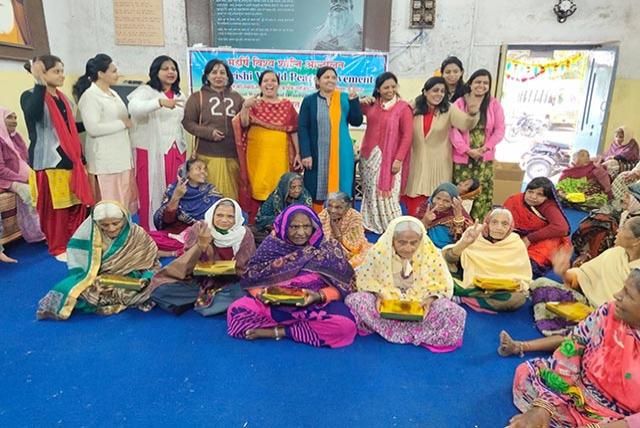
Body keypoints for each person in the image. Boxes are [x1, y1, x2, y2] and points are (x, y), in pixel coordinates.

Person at [506, 270, 640, 428]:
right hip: (578, 389)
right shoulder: (608, 312)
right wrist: (544, 406)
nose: (617, 295)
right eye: (622, 288)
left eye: (628, 295)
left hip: (619, 418)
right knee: (527, 372)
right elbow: (570, 350)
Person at [227, 205, 357, 348]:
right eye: (294, 227)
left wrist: (318, 296)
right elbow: (254, 277)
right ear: (283, 226)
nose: (301, 232)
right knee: (236, 312)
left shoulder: (327, 248)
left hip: (314, 307)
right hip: (273, 306)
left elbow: (343, 286)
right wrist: (262, 296)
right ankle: (302, 328)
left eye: (306, 226)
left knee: (346, 326)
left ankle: (282, 331)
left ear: (314, 225)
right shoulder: (272, 246)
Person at [345, 216, 466, 352]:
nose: (408, 248)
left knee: (455, 312)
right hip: (386, 303)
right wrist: (378, 294)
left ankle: (398, 330)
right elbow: (366, 279)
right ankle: (415, 332)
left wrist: (430, 299)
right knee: (355, 300)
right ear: (392, 240)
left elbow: (441, 284)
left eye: (413, 243)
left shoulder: (430, 254)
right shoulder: (378, 253)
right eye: (402, 242)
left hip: (421, 305)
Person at [21, 56, 93, 260]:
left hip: (71, 161)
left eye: (62, 71)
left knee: (75, 206)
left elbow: (72, 128)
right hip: (48, 162)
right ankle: (58, 247)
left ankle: (74, 241)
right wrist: (38, 84)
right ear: (42, 73)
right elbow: (33, 115)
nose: (62, 75)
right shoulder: (29, 96)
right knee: (56, 211)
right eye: (56, 71)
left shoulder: (64, 99)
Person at [36, 201, 160, 321]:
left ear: (125, 219)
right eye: (105, 225)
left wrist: (146, 276)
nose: (111, 228)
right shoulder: (89, 233)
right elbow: (79, 263)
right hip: (98, 277)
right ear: (96, 223)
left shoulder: (136, 233)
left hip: (130, 276)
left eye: (116, 223)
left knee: (141, 289)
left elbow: (150, 260)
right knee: (67, 289)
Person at [529, 216, 640, 337]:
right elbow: (582, 277)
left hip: (612, 318)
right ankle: (580, 334)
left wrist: (602, 314)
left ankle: (581, 335)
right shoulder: (614, 253)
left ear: (636, 241)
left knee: (616, 331)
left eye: (623, 228)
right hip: (585, 306)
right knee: (541, 283)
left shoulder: (637, 272)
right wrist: (564, 272)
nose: (618, 230)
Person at [150, 198, 255, 316]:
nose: (224, 220)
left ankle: (192, 302)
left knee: (243, 292)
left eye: (230, 216)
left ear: (236, 218)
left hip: (229, 282)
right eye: (219, 215)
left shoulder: (244, 234)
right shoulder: (200, 228)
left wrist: (223, 269)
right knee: (160, 289)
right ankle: (212, 303)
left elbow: (246, 268)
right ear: (212, 214)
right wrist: (201, 246)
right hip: (199, 281)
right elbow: (187, 262)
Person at [403, 76, 481, 217]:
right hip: (416, 162)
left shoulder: (449, 109)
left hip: (439, 164)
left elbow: (466, 124)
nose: (439, 94)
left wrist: (473, 112)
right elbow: (399, 114)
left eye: (442, 91)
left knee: (438, 205)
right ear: (425, 92)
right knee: (413, 203)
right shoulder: (414, 107)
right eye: (435, 90)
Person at [128, 55, 187, 231]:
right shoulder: (146, 91)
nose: (171, 72)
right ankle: (151, 230)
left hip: (175, 150)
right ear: (156, 71)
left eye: (173, 69)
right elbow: (134, 109)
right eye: (165, 68)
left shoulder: (179, 94)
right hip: (151, 152)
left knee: (173, 192)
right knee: (151, 192)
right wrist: (159, 102)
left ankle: (170, 227)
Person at [233, 70, 301, 221]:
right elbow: (243, 123)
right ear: (260, 85)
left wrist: (298, 153)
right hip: (257, 156)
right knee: (257, 188)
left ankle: (279, 224)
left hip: (279, 156)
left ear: (278, 84)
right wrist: (245, 107)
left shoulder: (287, 105)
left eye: (273, 81)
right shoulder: (253, 104)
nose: (269, 84)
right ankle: (257, 224)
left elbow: (294, 130)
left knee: (279, 187)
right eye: (265, 81)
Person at [74, 54, 137, 213]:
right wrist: (122, 123)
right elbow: (93, 129)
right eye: (114, 71)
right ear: (101, 74)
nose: (118, 74)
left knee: (123, 202)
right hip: (106, 162)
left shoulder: (113, 94)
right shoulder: (90, 96)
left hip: (121, 157)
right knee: (109, 206)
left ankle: (124, 234)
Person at [298, 66, 363, 210]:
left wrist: (354, 101)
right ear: (318, 80)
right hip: (316, 154)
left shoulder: (344, 98)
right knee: (316, 187)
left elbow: (356, 121)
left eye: (333, 77)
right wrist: (306, 154)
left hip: (341, 154)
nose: (330, 80)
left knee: (341, 186)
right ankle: (318, 220)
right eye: (326, 77)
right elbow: (303, 128)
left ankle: (340, 219)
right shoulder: (309, 101)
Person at [442, 208, 532, 312]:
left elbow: (523, 277)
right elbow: (449, 258)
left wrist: (517, 284)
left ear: (510, 227)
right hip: (469, 281)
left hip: (498, 289)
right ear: (487, 223)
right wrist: (464, 243)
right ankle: (471, 296)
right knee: (443, 264)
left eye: (505, 224)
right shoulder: (476, 233)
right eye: (494, 222)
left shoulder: (515, 243)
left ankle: (463, 298)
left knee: (517, 299)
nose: (499, 228)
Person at [358, 72, 413, 234]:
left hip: (390, 160)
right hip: (368, 157)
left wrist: (399, 159)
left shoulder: (403, 108)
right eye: (386, 87)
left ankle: (393, 227)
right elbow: (354, 108)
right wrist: (361, 100)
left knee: (388, 196)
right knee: (369, 193)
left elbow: (407, 135)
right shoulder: (372, 105)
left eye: (393, 87)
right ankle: (370, 224)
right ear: (378, 89)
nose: (390, 90)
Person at [182, 59, 244, 200]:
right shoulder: (197, 97)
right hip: (207, 156)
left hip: (232, 157)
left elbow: (245, 123)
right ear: (207, 76)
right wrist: (208, 133)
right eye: (214, 72)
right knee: (209, 198)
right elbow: (187, 122)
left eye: (222, 72)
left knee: (231, 198)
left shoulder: (237, 98)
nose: (218, 76)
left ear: (228, 77)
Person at [450, 69, 505, 221]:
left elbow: (500, 130)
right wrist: (467, 150)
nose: (481, 85)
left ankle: (479, 228)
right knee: (463, 193)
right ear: (471, 84)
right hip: (463, 158)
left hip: (484, 158)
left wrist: (485, 148)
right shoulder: (460, 103)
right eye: (478, 82)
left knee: (482, 193)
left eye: (485, 82)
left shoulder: (494, 105)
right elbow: (452, 129)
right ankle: (458, 224)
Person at [150, 159, 221, 256]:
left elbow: (219, 214)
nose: (203, 172)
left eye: (205, 169)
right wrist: (176, 197)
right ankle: (179, 251)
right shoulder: (173, 189)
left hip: (201, 235)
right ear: (186, 173)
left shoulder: (210, 190)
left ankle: (173, 253)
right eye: (198, 168)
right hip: (176, 235)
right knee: (145, 238)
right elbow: (166, 220)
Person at [504, 177, 571, 277]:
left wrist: (529, 238)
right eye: (530, 192)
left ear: (547, 197)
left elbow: (561, 228)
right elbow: (502, 218)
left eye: (540, 194)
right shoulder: (515, 200)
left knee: (545, 249)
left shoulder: (548, 206)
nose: (533, 197)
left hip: (542, 236)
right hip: (517, 234)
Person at [0, 107, 44, 243]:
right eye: (9, 117)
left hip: (23, 176)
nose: (14, 121)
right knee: (28, 191)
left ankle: (48, 227)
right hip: (5, 179)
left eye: (15, 117)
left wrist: (34, 174)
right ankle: (39, 232)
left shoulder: (16, 137)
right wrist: (24, 179)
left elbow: (26, 159)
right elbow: (1, 170)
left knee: (44, 185)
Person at [254, 172, 312, 241]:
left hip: (299, 232)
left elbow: (308, 220)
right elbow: (261, 218)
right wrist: (279, 222)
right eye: (293, 187)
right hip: (274, 230)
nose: (297, 190)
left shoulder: (305, 197)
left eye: (300, 187)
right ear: (285, 187)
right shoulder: (275, 197)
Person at [318, 192, 372, 267]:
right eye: (330, 206)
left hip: (351, 250)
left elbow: (355, 246)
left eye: (338, 207)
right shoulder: (325, 213)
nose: (332, 210)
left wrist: (335, 229)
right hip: (328, 247)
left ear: (347, 207)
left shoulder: (355, 217)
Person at [415, 182, 473, 249]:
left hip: (448, 251)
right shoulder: (425, 209)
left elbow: (463, 240)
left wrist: (458, 217)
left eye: (446, 201)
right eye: (438, 198)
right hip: (425, 249)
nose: (440, 203)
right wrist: (425, 221)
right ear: (433, 197)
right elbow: (414, 234)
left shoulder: (458, 212)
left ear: (454, 202)